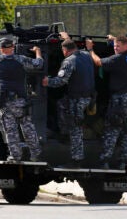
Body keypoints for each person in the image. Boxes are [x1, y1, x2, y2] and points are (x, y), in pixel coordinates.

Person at [85, 33, 127, 170]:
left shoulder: (117, 59)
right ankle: (123, 162)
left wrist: (90, 49)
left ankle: (105, 161)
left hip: (120, 100)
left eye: (119, 46)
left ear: (125, 46)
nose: (116, 48)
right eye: (115, 46)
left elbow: (98, 62)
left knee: (112, 130)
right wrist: (115, 38)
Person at [42, 36, 95, 168]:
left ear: (65, 51)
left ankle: (77, 160)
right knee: (61, 104)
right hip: (88, 97)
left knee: (75, 127)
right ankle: (64, 133)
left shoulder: (69, 61)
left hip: (77, 99)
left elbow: (61, 81)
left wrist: (47, 81)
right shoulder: (86, 55)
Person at [0, 38, 43, 162]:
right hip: (20, 101)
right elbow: (39, 64)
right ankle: (36, 154)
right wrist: (38, 52)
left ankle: (15, 156)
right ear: (12, 47)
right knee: (27, 127)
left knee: (11, 130)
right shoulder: (21, 59)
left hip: (5, 102)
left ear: (2, 49)